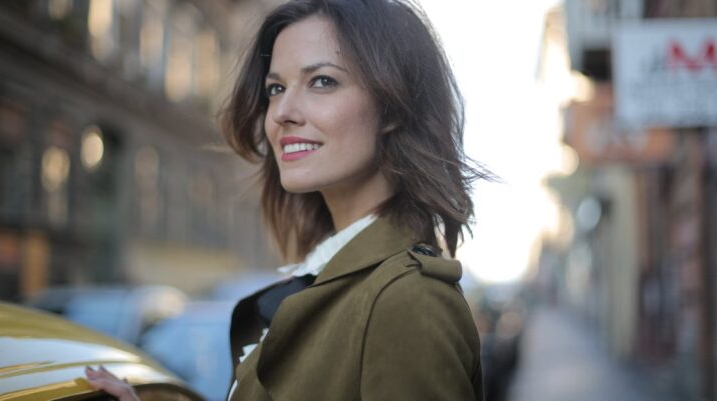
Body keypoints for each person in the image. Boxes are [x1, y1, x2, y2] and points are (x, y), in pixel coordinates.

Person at [86, 0, 490, 399]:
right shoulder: (332, 276)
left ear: (393, 108)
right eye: (275, 88)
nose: (281, 112)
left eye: (322, 81)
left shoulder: (407, 301)